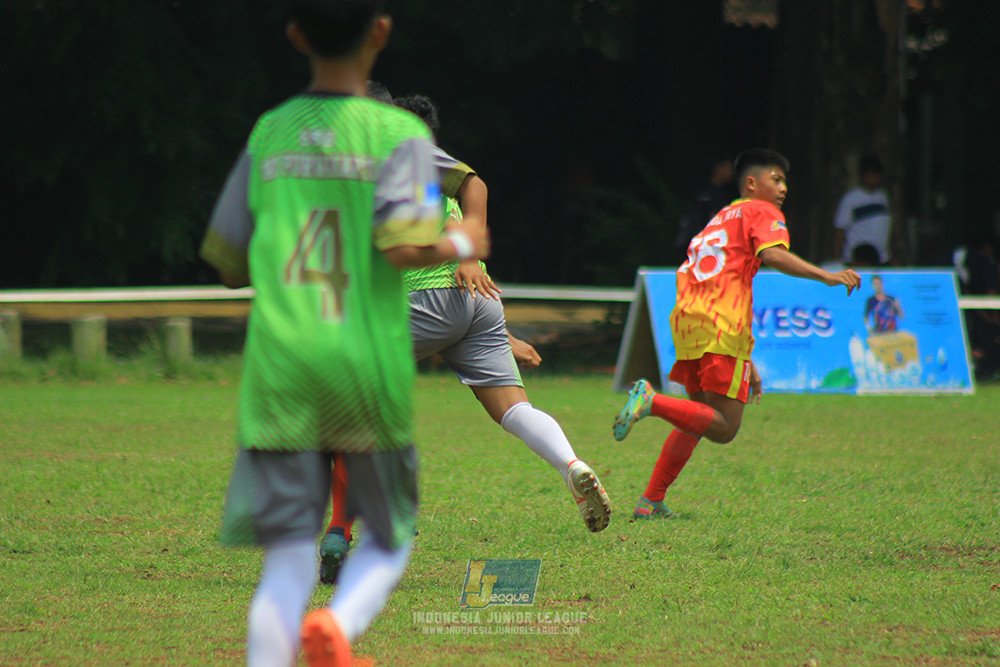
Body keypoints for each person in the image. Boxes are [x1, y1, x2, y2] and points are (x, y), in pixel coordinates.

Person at [198, 2, 489, 665]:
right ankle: (339, 624)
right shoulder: (397, 134)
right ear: (380, 33)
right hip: (364, 361)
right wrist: (463, 238)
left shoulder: (270, 131)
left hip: (280, 365)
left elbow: (226, 261)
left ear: (295, 35)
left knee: (286, 561)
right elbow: (405, 245)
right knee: (388, 539)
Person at [318, 92, 611, 585]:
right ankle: (572, 465)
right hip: (477, 305)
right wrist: (495, 322)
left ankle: (344, 530)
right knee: (514, 410)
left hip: (424, 300)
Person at [613, 149, 862, 519]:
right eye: (776, 179)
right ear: (752, 183)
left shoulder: (719, 217)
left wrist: (747, 362)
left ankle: (650, 501)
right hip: (721, 321)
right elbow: (774, 256)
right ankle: (651, 400)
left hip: (689, 320)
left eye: (784, 181)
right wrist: (827, 275)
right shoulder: (762, 211)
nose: (783, 188)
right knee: (725, 427)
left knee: (696, 416)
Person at [672, 153, 736, 265]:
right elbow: (715, 223)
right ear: (719, 167)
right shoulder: (717, 194)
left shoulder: (703, 190)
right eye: (729, 167)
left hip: (693, 244)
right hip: (707, 249)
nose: (731, 172)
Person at [834, 154, 892, 265]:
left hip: (880, 259)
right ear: (863, 176)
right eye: (870, 176)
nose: (873, 180)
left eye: (876, 176)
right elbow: (839, 230)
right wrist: (837, 260)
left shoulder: (883, 197)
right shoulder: (851, 198)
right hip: (857, 260)